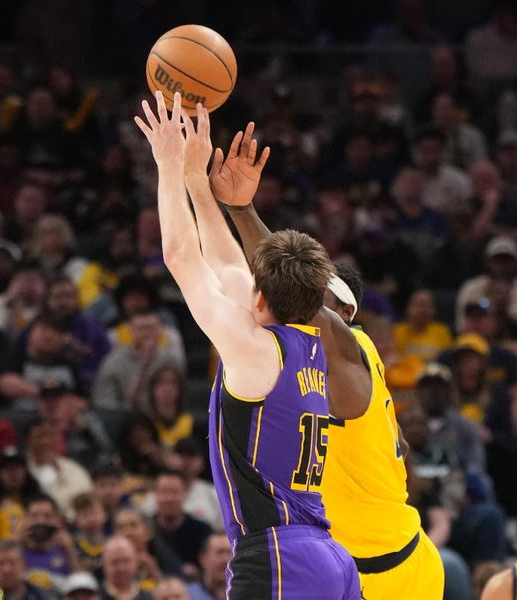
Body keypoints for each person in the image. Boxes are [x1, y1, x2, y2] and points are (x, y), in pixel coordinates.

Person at [135, 92, 362, 599]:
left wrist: (169, 166)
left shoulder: (256, 352)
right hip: (329, 556)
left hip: (280, 557)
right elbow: (230, 268)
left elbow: (182, 258)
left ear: (261, 297)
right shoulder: (307, 345)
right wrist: (198, 181)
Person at [219, 120, 445, 597]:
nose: (299, 302)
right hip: (343, 565)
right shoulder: (288, 362)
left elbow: (285, 276)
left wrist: (241, 210)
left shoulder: (348, 346)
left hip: (391, 576)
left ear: (343, 313)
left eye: (317, 298)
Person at [186, 533, 230, 600]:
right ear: (203, 559)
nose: (225, 560)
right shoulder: (187, 595)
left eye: (230, 553)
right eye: (220, 552)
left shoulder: (247, 593)